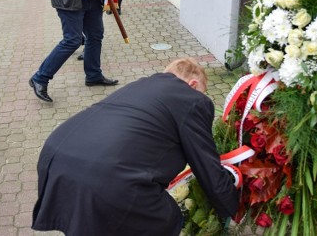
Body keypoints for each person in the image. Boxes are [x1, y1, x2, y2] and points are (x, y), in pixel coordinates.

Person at [32, 58, 240, 235]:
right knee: (167, 219)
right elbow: (206, 164)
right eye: (202, 92)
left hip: (56, 155)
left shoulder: (141, 85)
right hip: (107, 177)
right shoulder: (192, 99)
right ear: (193, 85)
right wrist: (233, 206)